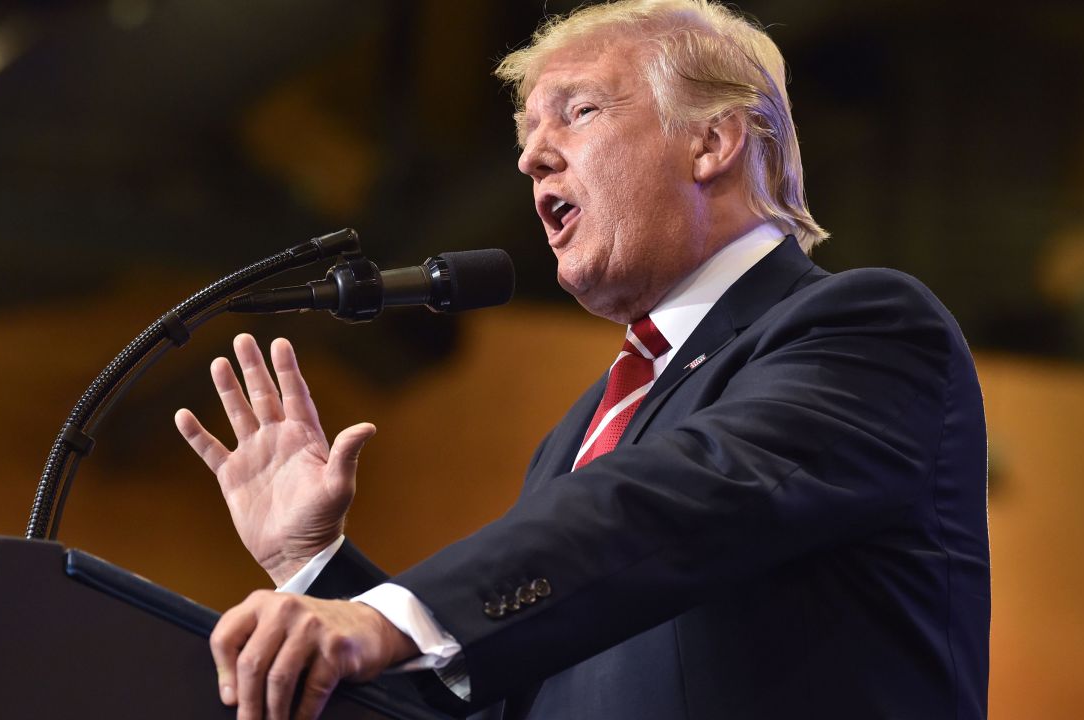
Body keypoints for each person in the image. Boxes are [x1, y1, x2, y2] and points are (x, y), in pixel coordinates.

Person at [174, 1, 991, 718]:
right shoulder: (583, 430)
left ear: (711, 141)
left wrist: (391, 617)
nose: (531, 158)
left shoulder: (864, 329)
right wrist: (313, 569)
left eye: (579, 112)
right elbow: (489, 692)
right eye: (528, 133)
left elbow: (668, 506)